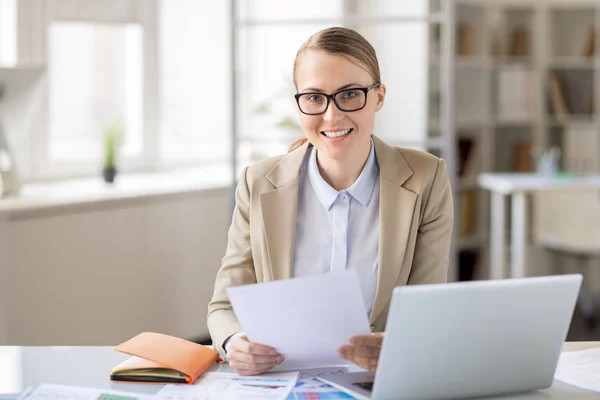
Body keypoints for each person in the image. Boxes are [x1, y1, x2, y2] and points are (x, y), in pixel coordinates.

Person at [207, 26, 453, 376]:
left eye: (350, 94)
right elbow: (223, 306)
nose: (332, 115)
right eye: (314, 97)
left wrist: (400, 345)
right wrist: (235, 342)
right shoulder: (258, 183)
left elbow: (428, 307)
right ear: (299, 103)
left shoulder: (426, 178)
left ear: (379, 96)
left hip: (381, 381)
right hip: (282, 379)